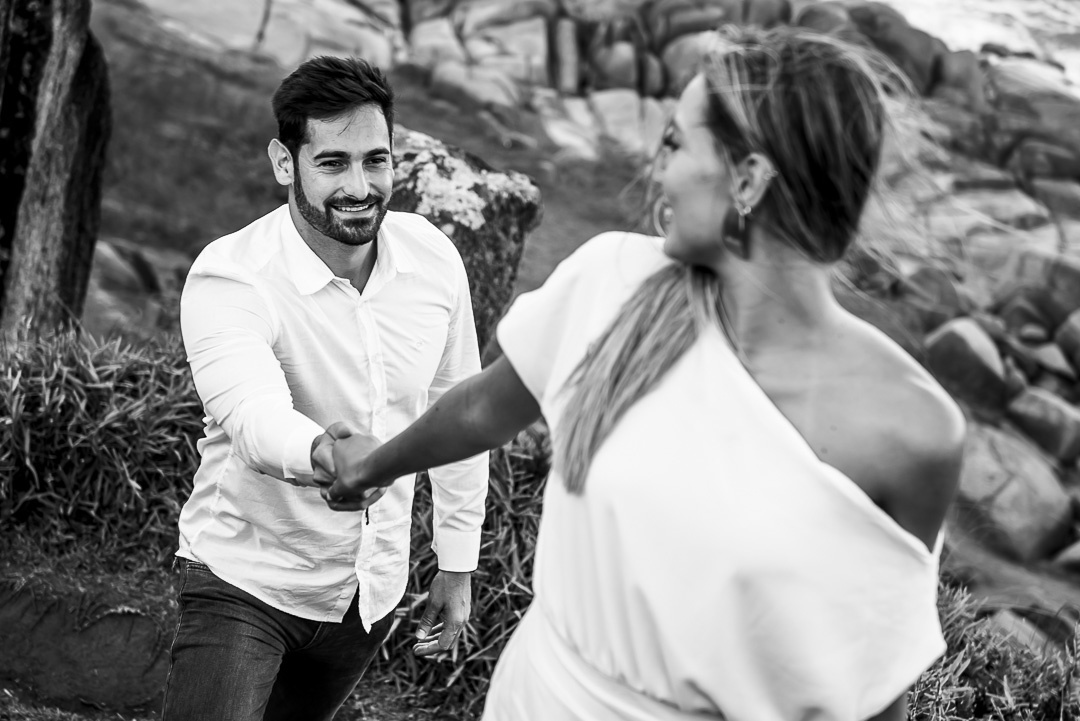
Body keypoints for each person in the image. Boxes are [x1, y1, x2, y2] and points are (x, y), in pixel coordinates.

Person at [321, 25, 964, 721]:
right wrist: (370, 467)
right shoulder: (614, 279)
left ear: (748, 180)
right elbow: (483, 408)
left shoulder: (912, 433)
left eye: (675, 144)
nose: (657, 171)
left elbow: (873, 684)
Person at [161, 56, 488, 721]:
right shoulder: (232, 275)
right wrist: (327, 455)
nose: (360, 187)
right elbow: (252, 415)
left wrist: (457, 562)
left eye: (376, 160)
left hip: (366, 598)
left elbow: (461, 411)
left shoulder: (433, 259)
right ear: (285, 163)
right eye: (333, 163)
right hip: (244, 581)